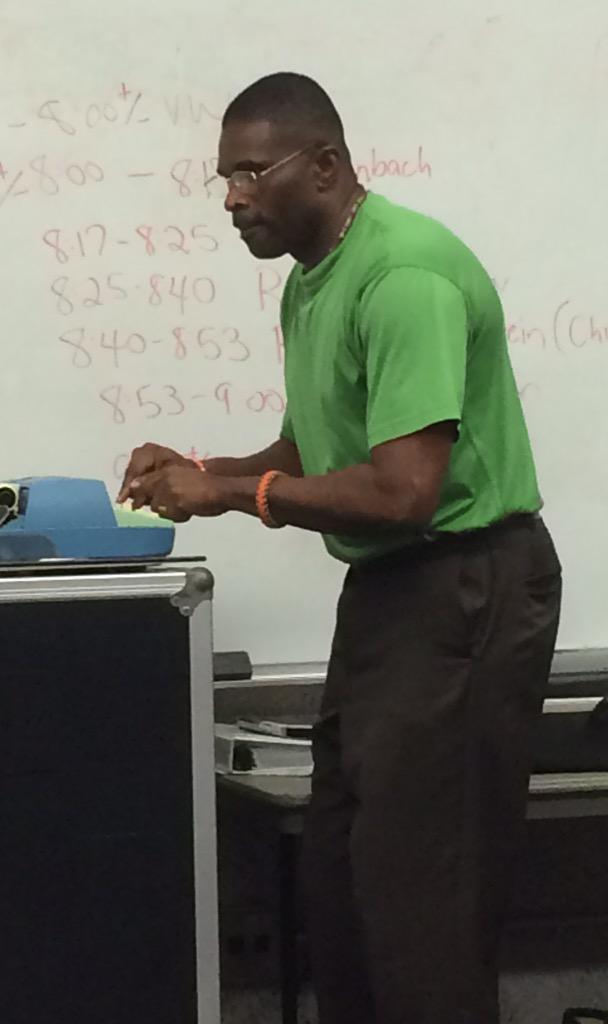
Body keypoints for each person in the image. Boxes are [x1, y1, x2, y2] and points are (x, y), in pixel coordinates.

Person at [118, 72, 562, 1024]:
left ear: (324, 165)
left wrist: (231, 490)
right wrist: (196, 472)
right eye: (223, 178)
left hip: (464, 586)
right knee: (345, 885)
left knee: (421, 906)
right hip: (394, 599)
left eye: (250, 172)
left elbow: (403, 492)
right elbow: (309, 456)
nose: (232, 197)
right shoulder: (314, 283)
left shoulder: (403, 276)